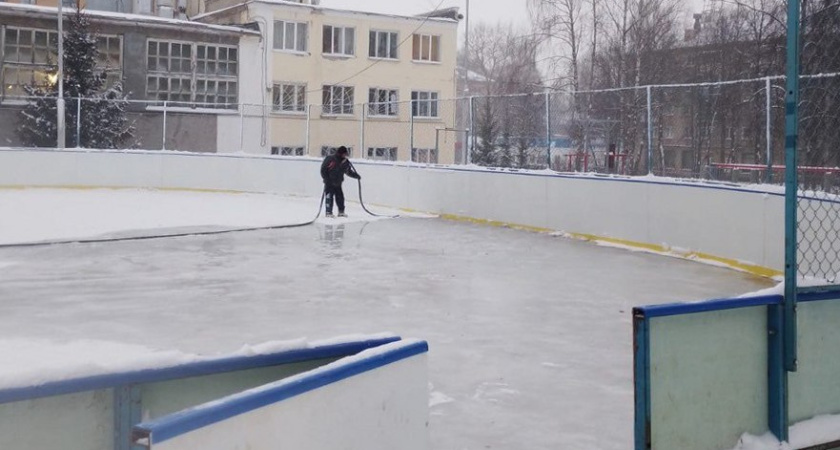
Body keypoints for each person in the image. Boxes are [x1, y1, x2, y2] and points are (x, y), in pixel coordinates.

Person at [320, 146, 360, 217]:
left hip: (338, 183)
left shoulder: (344, 162)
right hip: (329, 182)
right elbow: (323, 170)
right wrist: (326, 179)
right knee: (329, 197)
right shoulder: (330, 159)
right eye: (345, 154)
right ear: (341, 153)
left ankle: (341, 212)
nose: (346, 155)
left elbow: (348, 171)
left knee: (340, 198)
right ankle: (328, 212)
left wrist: (356, 176)